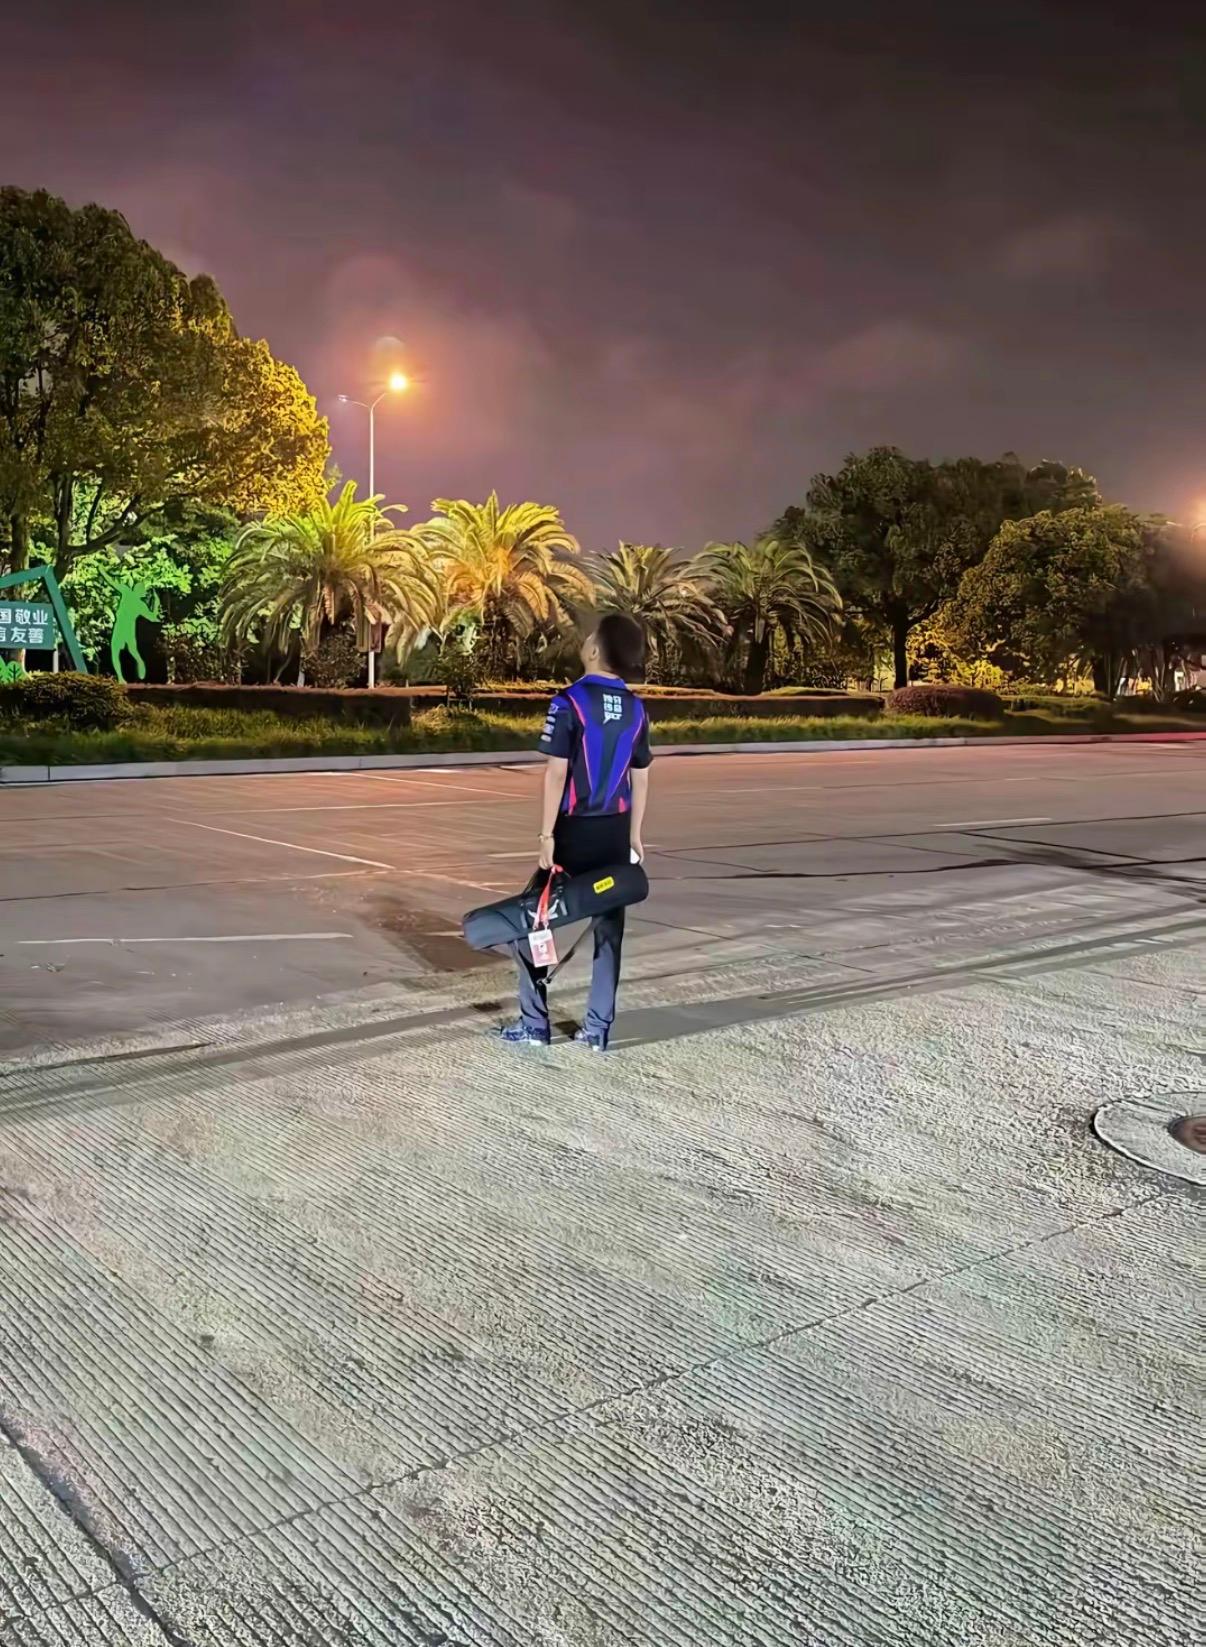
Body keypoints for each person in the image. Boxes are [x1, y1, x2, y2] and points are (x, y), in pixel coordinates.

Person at [499, 613, 652, 1051]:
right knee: (609, 929)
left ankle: (535, 1024)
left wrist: (546, 836)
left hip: (572, 833)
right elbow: (641, 777)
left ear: (596, 650)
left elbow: (556, 773)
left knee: (533, 921)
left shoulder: (569, 701)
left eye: (589, 637)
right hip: (615, 833)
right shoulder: (637, 709)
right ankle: (598, 1029)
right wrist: (634, 835)